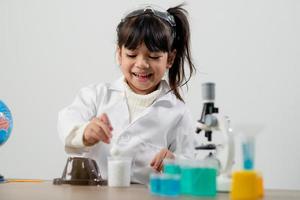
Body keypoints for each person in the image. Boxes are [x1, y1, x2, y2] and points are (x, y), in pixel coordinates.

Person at [58, 4, 196, 184]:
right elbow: (67, 120)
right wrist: (85, 133)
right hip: (95, 193)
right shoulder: (96, 95)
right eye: (132, 55)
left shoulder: (177, 113)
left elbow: (192, 164)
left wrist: (174, 162)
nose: (142, 64)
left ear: (169, 58)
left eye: (153, 57)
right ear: (119, 53)